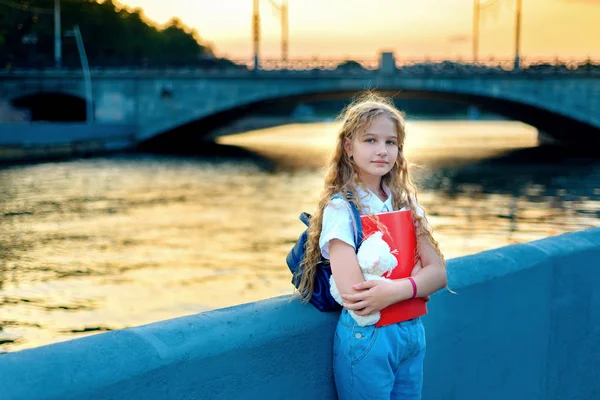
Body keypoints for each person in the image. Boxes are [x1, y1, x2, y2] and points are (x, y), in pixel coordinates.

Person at [296, 92, 448, 399]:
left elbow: (439, 275)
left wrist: (395, 288)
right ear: (348, 147)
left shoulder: (405, 202)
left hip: (411, 333)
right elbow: (356, 296)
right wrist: (415, 281)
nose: (382, 151)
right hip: (368, 337)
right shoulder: (342, 209)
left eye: (390, 142)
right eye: (370, 140)